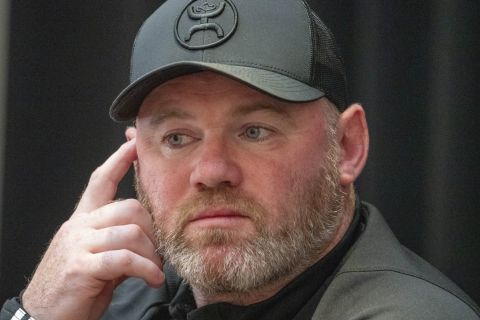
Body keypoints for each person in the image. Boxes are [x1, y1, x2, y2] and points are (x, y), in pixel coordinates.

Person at [2, 0, 479, 319]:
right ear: (135, 159)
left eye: (254, 131)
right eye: (176, 138)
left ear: (347, 147)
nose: (211, 172)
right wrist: (35, 312)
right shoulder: (106, 299)